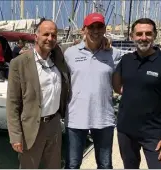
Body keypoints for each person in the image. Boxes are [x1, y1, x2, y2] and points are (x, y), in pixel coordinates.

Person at [113, 18, 161, 169]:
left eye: (148, 33)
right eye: (139, 34)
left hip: (155, 133)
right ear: (132, 36)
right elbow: (117, 86)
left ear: (155, 35)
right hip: (126, 131)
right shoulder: (126, 60)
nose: (143, 37)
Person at [6, 18, 71, 169]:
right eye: (46, 34)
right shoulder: (20, 63)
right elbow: (12, 103)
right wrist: (15, 136)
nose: (50, 38)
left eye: (54, 35)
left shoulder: (58, 59)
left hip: (54, 124)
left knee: (54, 166)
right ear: (36, 36)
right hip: (31, 127)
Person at [63, 12, 122, 169]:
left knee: (105, 164)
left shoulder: (114, 54)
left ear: (104, 29)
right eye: (92, 27)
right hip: (76, 118)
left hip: (104, 118)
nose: (96, 31)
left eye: (99, 27)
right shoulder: (70, 53)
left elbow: (124, 78)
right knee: (72, 164)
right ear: (84, 30)